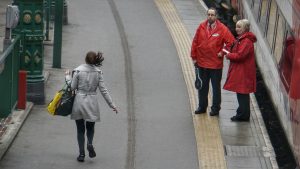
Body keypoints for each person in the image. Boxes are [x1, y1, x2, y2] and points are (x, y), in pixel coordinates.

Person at [65, 51, 118, 162]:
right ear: (95, 60)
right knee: (90, 127)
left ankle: (81, 154)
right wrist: (112, 105)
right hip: (92, 102)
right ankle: (89, 143)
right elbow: (104, 90)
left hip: (79, 101)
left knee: (80, 130)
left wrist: (67, 77)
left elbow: (72, 87)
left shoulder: (78, 70)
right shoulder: (98, 73)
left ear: (85, 59)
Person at [191, 7, 235, 116]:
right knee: (202, 87)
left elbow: (231, 42)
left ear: (216, 16)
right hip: (201, 63)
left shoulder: (222, 29)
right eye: (208, 14)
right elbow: (195, 42)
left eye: (212, 15)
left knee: (215, 89)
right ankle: (202, 107)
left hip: (215, 65)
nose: (210, 16)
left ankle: (215, 109)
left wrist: (223, 52)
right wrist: (194, 57)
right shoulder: (201, 27)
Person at [223, 19, 257, 122]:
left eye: (239, 27)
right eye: (236, 26)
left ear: (245, 28)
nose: (236, 29)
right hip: (242, 71)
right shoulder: (242, 39)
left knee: (242, 93)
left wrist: (229, 55)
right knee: (241, 93)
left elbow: (240, 56)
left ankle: (242, 115)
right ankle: (242, 113)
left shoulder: (246, 41)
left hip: (243, 72)